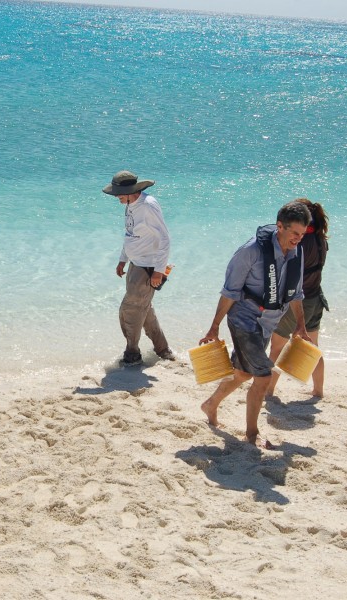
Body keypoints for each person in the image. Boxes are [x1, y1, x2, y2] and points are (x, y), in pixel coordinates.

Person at [198, 201, 312, 449]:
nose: (298, 239)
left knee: (243, 373)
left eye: (302, 235)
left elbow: (296, 293)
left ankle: (210, 404)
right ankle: (252, 434)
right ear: (280, 226)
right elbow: (229, 292)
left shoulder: (297, 251)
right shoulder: (250, 251)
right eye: (294, 233)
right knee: (262, 376)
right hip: (244, 319)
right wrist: (214, 326)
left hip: (269, 322)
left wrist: (300, 325)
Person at [102, 170, 174, 366]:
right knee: (144, 310)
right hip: (135, 265)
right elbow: (130, 233)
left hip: (148, 267)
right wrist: (122, 259)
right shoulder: (130, 204)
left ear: (129, 191)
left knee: (130, 310)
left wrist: (159, 271)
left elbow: (165, 239)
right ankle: (164, 351)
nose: (116, 197)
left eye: (118, 193)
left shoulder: (148, 205)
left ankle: (132, 355)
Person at [266, 199, 329, 400]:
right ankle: (318, 390)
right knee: (313, 348)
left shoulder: (301, 244)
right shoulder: (321, 240)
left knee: (277, 347)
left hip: (298, 302)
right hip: (316, 298)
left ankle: (267, 390)